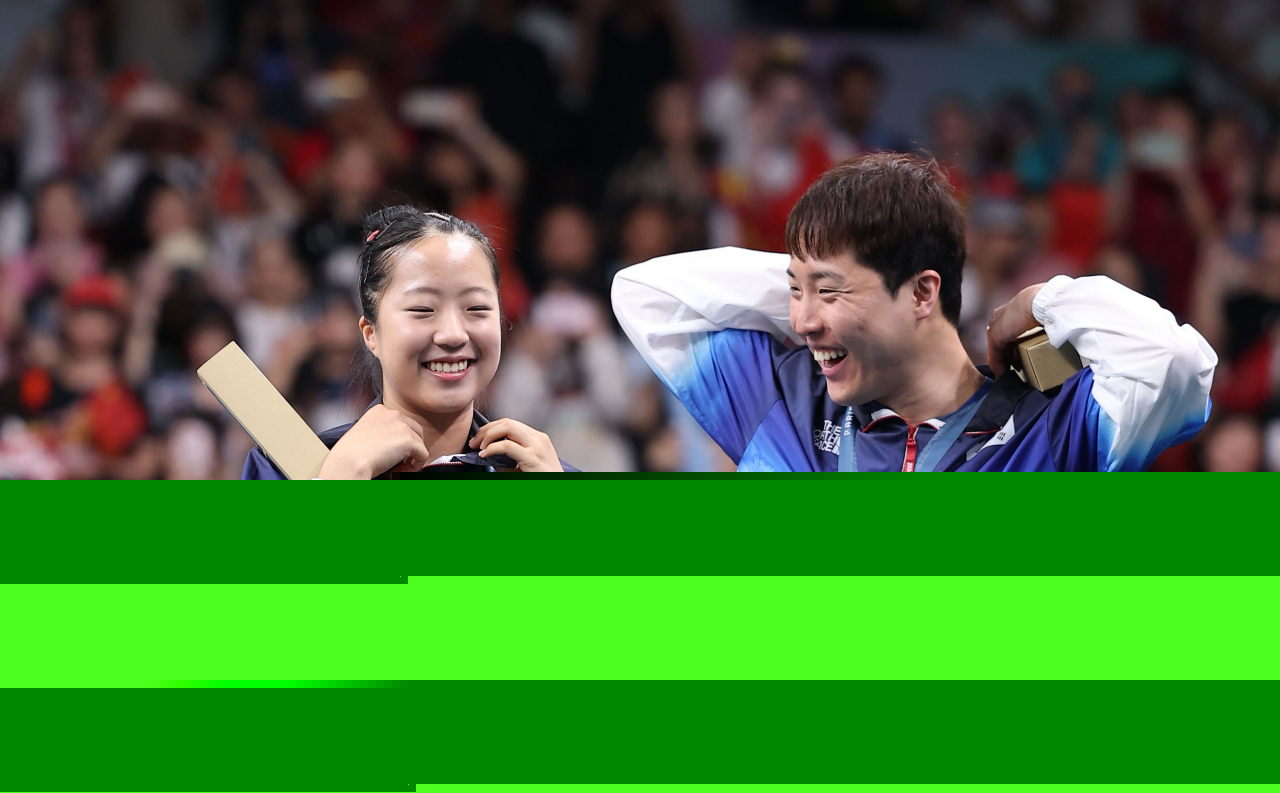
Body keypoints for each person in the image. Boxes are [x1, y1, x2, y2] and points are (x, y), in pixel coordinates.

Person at [612, 153, 1218, 472]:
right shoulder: (783, 398)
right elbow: (647, 295)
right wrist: (818, 278)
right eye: (795, 292)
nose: (799, 322)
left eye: (828, 291)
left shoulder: (1053, 428)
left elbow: (1174, 364)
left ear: (924, 293)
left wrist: (1039, 302)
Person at [243, 206, 572, 478]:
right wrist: (342, 477)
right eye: (423, 310)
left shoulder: (545, 473)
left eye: (476, 308)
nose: (454, 334)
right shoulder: (285, 469)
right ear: (371, 333)